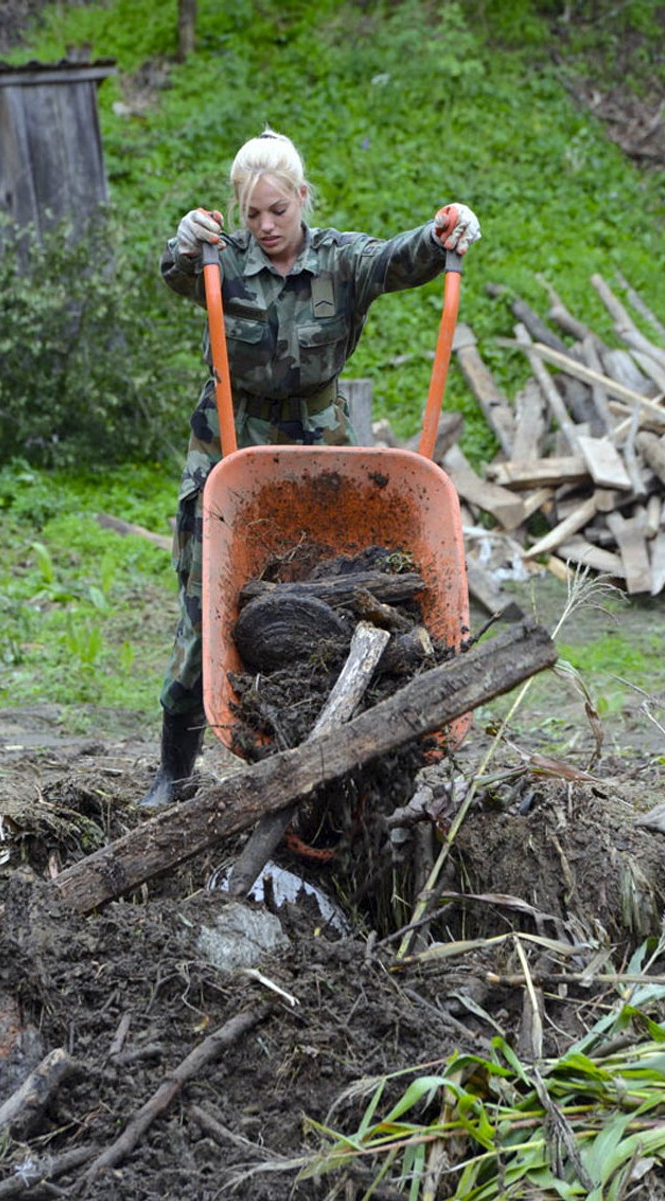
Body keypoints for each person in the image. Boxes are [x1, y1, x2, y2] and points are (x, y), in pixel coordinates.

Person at [142, 128, 480, 807]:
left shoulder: (340, 260)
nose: (266, 226)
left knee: (333, 582)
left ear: (302, 198)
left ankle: (342, 744)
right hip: (229, 442)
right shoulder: (222, 260)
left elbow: (402, 258)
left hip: (318, 443)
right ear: (237, 211)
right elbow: (180, 270)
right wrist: (186, 242)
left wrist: (447, 229)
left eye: (279, 210)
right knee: (204, 600)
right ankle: (175, 768)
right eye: (252, 214)